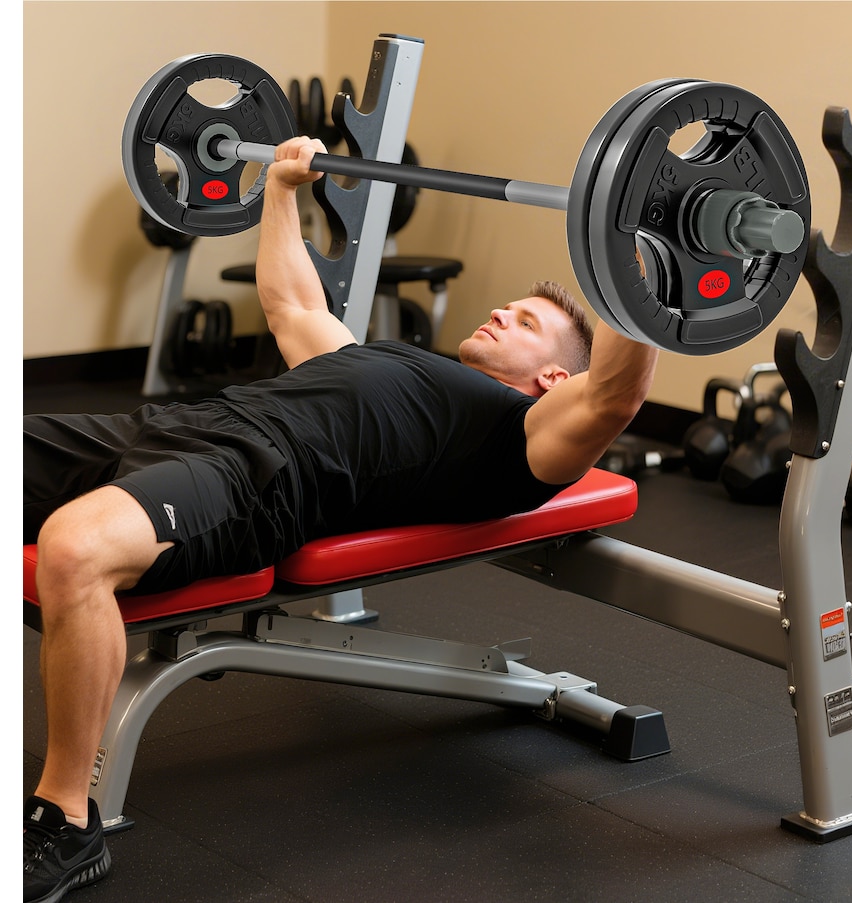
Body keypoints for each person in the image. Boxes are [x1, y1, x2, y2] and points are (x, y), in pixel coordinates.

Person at [23, 136, 659, 902]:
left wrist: (637, 248)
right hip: (172, 427)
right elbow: (293, 305)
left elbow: (614, 394)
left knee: (73, 549)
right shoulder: (385, 358)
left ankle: (67, 819)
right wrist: (281, 187)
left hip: (250, 477)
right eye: (509, 306)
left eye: (524, 320)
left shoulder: (514, 436)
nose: (500, 310)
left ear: (553, 377)